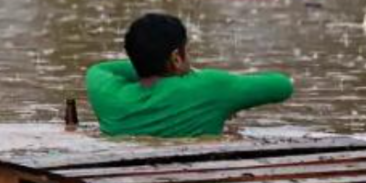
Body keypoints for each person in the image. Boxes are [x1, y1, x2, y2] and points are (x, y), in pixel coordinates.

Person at [86, 12, 293, 138]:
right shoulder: (209, 87)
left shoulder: (107, 94)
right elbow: (283, 86)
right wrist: (195, 74)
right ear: (176, 58)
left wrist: (145, 63)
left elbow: (100, 69)